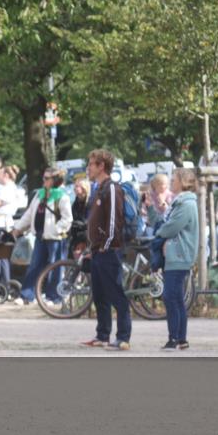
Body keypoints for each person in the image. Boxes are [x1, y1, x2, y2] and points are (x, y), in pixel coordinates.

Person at [81, 149, 132, 351]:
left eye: (91, 164)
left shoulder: (112, 188)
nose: (88, 168)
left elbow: (114, 220)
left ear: (102, 166)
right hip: (97, 251)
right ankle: (102, 335)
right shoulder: (97, 189)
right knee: (100, 295)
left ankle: (123, 337)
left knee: (116, 294)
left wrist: (106, 245)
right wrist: (90, 247)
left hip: (109, 251)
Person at [11, 168, 72, 307]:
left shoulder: (63, 196)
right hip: (40, 237)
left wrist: (56, 230)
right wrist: (17, 228)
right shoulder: (40, 194)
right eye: (44, 178)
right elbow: (29, 214)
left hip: (56, 239)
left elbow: (67, 219)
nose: (43, 181)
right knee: (34, 266)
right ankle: (27, 295)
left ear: (55, 180)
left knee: (55, 268)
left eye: (47, 178)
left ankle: (54, 297)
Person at [153, 168, 199, 350]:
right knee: (176, 297)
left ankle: (174, 338)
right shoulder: (181, 202)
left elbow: (171, 227)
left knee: (171, 296)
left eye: (174, 179)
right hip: (176, 254)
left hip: (179, 255)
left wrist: (159, 233)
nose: (172, 182)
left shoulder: (186, 204)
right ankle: (181, 338)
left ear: (183, 181)